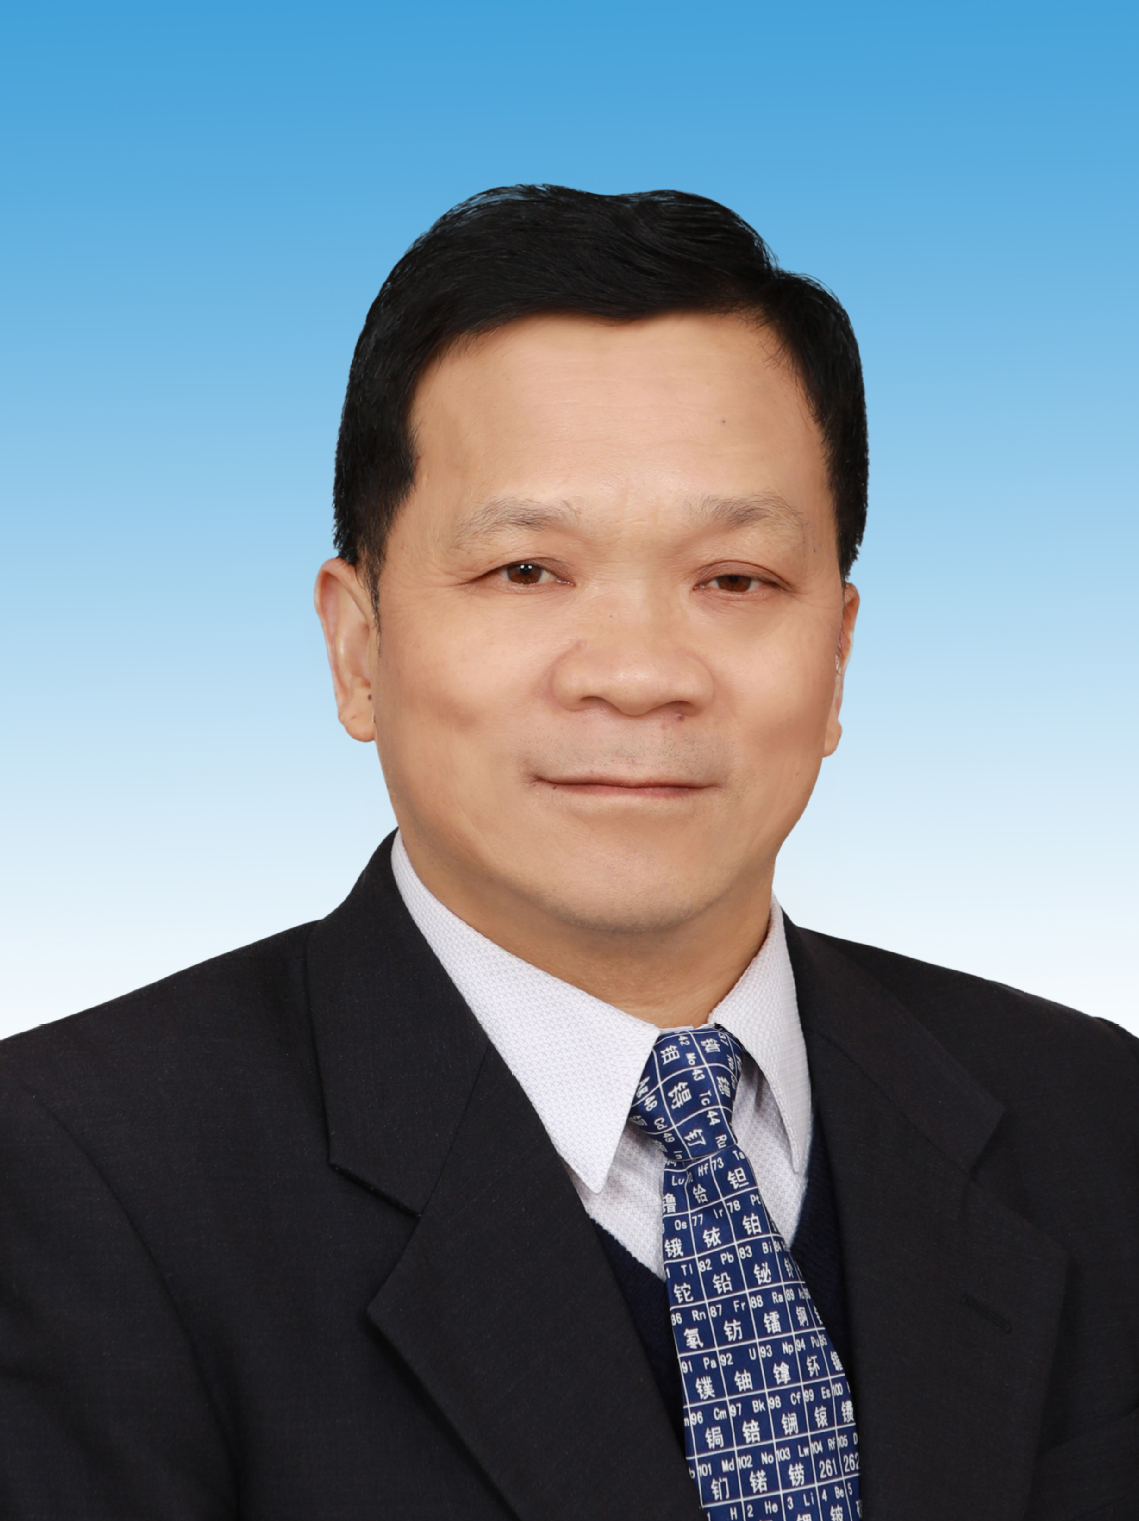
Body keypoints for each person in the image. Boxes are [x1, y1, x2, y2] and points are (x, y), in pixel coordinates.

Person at [0, 186, 1135, 1521]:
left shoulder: (1092, 1114)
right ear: (357, 647)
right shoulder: (77, 1173)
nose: (639, 674)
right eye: (528, 572)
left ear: (837, 656)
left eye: (735, 580)